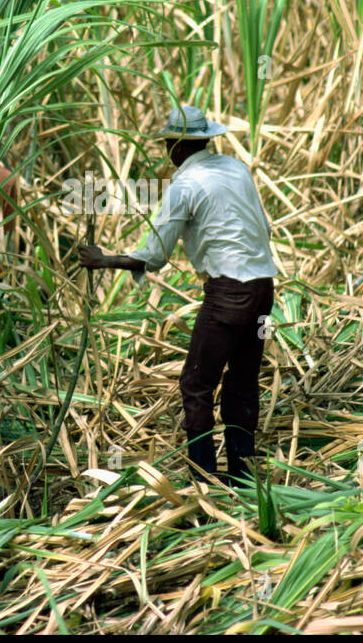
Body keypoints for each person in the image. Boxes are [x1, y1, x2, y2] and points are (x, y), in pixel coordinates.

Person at [78, 106, 277, 485]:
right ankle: (243, 475)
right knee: (242, 382)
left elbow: (154, 255)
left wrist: (104, 260)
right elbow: (263, 227)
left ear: (178, 147)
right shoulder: (237, 169)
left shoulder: (184, 186)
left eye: (169, 143)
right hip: (263, 289)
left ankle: (203, 480)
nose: (167, 151)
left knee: (197, 384)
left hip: (228, 294)